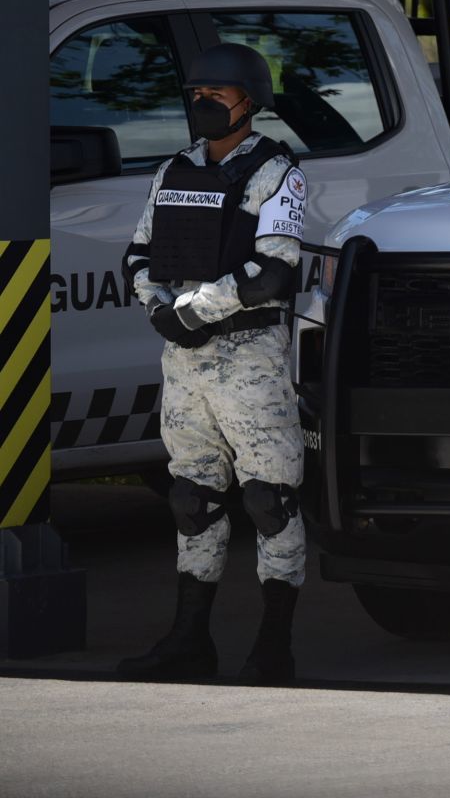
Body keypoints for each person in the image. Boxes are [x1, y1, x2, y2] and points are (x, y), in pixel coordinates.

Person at [119, 44, 308, 683]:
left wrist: (195, 308)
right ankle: (188, 642)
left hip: (249, 357)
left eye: (216, 97)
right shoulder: (174, 170)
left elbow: (274, 272)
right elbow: (140, 253)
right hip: (184, 362)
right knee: (190, 498)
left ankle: (273, 648)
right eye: (195, 95)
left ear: (249, 103)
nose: (202, 106)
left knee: (267, 499)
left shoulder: (276, 172)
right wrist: (158, 308)